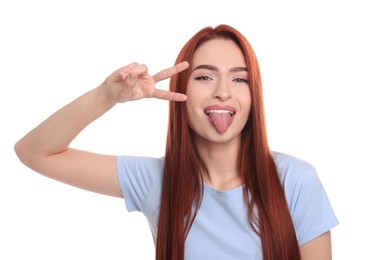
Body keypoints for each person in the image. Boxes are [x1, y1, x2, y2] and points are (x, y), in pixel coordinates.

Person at [14, 24, 338, 260]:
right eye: (204, 76)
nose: (223, 91)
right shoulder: (155, 180)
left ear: (254, 96)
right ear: (180, 91)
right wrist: (107, 95)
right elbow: (34, 152)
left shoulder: (296, 180)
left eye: (239, 78)